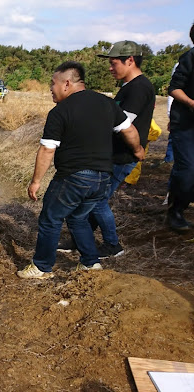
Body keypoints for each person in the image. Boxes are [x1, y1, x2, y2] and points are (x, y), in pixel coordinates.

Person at [17, 61, 143, 279]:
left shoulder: (60, 111)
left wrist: (36, 181)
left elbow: (47, 150)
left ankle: (42, 267)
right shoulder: (107, 103)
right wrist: (138, 149)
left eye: (52, 83)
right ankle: (90, 263)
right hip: (103, 177)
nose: (50, 88)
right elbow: (129, 130)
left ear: (66, 83)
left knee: (50, 219)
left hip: (74, 177)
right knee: (78, 218)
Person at [86, 40, 155, 257]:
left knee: (97, 201)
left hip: (123, 156)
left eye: (114, 63)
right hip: (114, 154)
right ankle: (82, 237)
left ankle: (112, 245)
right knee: (95, 198)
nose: (110, 67)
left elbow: (124, 126)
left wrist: (137, 150)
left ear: (130, 60)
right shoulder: (129, 87)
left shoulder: (139, 88)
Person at [166, 22, 194, 232]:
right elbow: (174, 88)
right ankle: (175, 211)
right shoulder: (189, 57)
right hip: (185, 124)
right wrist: (192, 103)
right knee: (188, 169)